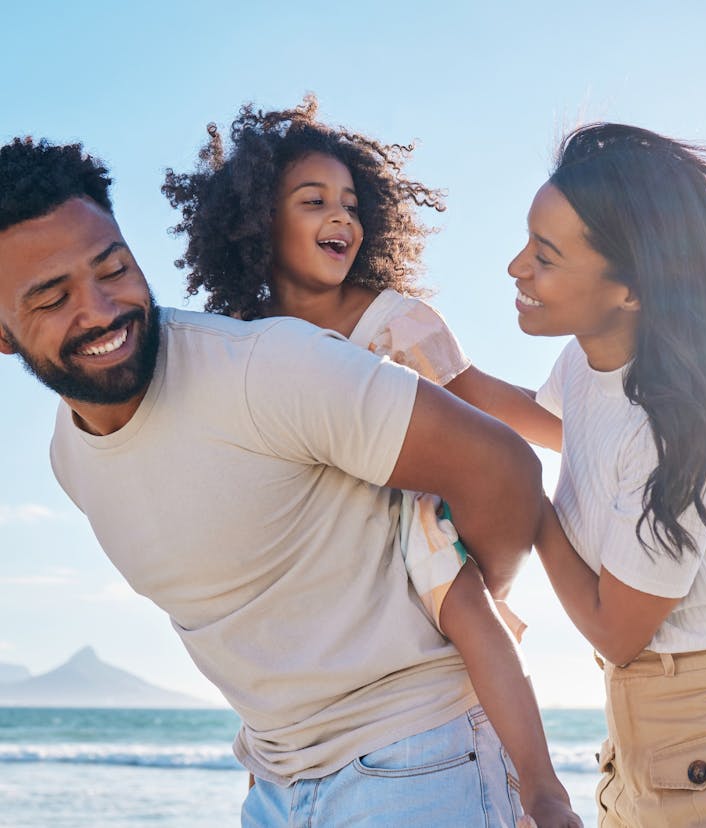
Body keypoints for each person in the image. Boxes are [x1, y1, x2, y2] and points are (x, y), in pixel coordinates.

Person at [0, 137, 575, 827]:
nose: (99, 310)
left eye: (114, 268)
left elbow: (504, 468)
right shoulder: (71, 458)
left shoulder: (269, 367)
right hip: (276, 785)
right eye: (52, 298)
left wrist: (455, 594)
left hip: (417, 762)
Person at [162, 96, 575, 826]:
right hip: (317, 542)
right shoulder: (245, 345)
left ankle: (542, 791)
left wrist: (584, 437)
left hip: (405, 513)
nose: (340, 218)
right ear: (259, 221)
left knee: (468, 611)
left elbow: (480, 397)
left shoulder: (392, 320)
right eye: (314, 200)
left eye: (351, 204)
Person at [510, 123, 706, 826]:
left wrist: (521, 503)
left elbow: (615, 630)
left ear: (631, 289)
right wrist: (430, 366)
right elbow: (550, 427)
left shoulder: (677, 429)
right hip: (648, 738)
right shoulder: (591, 363)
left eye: (545, 256)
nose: (516, 268)